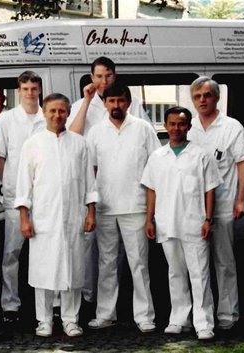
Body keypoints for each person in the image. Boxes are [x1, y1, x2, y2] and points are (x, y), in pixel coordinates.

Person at [66, 56, 151, 304]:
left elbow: (150, 153)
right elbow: (74, 138)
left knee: (135, 260)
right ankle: (95, 303)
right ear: (91, 78)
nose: (104, 81)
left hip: (132, 198)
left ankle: (140, 312)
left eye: (108, 76)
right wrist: (87, 100)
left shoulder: (133, 109)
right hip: (99, 196)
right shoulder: (83, 106)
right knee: (100, 256)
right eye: (99, 76)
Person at [15, 93, 97, 337]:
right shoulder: (33, 144)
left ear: (68, 113)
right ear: (44, 112)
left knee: (73, 267)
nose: (57, 115)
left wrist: (91, 212)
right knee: (43, 269)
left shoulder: (80, 144)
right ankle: (44, 319)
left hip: (73, 215)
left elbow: (89, 182)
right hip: (44, 217)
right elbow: (24, 184)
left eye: (61, 111)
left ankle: (71, 319)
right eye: (52, 111)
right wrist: (24, 217)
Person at [141, 106, 221, 340]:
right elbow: (151, 190)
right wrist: (149, 219)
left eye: (181, 124)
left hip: (195, 222)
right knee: (175, 273)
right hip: (167, 223)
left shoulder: (201, 155)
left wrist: (208, 219)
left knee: (200, 274)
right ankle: (179, 319)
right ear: (165, 126)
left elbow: (210, 189)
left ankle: (203, 323)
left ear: (188, 126)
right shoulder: (157, 157)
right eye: (172, 124)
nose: (177, 128)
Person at [86, 84, 159, 333]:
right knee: (106, 263)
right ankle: (105, 314)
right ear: (105, 103)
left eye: (120, 101)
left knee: (139, 263)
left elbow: (155, 167)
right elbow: (91, 170)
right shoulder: (96, 132)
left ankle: (144, 316)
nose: (116, 105)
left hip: (135, 205)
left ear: (128, 103)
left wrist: (151, 210)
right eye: (111, 101)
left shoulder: (143, 128)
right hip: (105, 206)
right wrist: (92, 206)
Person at [187, 76, 244, 331]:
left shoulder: (231, 126)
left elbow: (243, 162)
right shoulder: (190, 128)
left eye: (207, 95)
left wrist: (241, 199)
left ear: (216, 98)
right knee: (197, 264)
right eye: (197, 96)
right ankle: (201, 316)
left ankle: (228, 313)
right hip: (194, 207)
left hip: (224, 203)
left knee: (224, 261)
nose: (202, 100)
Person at [0, 71, 45, 326]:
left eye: (34, 88)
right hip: (15, 196)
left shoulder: (47, 117)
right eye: (25, 89)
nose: (30, 93)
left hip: (45, 196)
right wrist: (12, 182)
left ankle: (49, 305)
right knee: (11, 252)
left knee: (45, 252)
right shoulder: (7, 119)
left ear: (39, 90)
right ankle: (10, 305)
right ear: (18, 91)